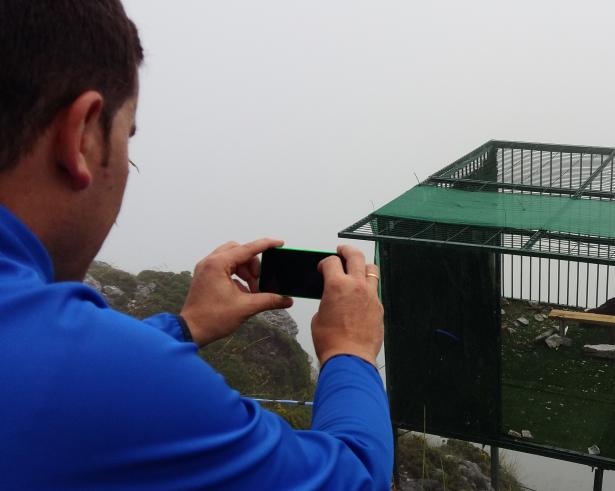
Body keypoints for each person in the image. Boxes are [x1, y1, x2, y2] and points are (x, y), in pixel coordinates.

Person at [0, 1, 392, 489]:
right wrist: (351, 350)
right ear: (80, 136)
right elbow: (354, 477)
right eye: (128, 141)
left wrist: (185, 326)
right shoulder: (110, 380)